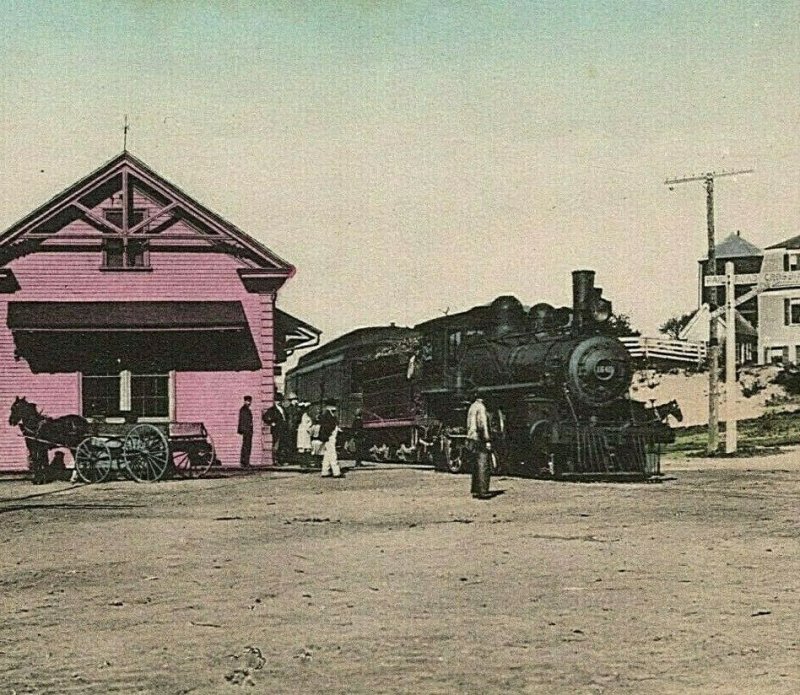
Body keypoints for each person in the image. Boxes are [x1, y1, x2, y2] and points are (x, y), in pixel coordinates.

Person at [466, 390, 492, 499]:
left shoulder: (472, 406)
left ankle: (475, 490)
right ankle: (483, 491)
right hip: (479, 438)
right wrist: (487, 440)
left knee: (475, 465)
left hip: (471, 437)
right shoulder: (481, 407)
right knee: (483, 464)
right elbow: (482, 425)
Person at [262, 392, 289, 465]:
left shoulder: (282, 409)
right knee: (276, 445)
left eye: (280, 400)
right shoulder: (272, 409)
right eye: (277, 400)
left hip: (283, 428)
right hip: (276, 429)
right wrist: (271, 423)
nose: (279, 402)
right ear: (274, 401)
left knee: (282, 445)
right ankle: (275, 460)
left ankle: (281, 460)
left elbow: (285, 418)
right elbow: (265, 417)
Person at [319, 399, 342, 478]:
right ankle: (336, 472)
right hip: (329, 437)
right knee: (332, 454)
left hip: (330, 436)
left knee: (327, 455)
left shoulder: (329, 415)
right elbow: (327, 427)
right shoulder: (328, 415)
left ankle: (325, 471)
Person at [237, 395, 254, 468]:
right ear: (245, 401)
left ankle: (245, 461)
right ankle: (244, 462)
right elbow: (243, 421)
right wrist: (244, 429)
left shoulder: (246, 409)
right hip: (246, 430)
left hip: (247, 430)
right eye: (248, 401)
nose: (249, 402)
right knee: (246, 446)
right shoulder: (244, 409)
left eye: (250, 401)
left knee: (247, 446)